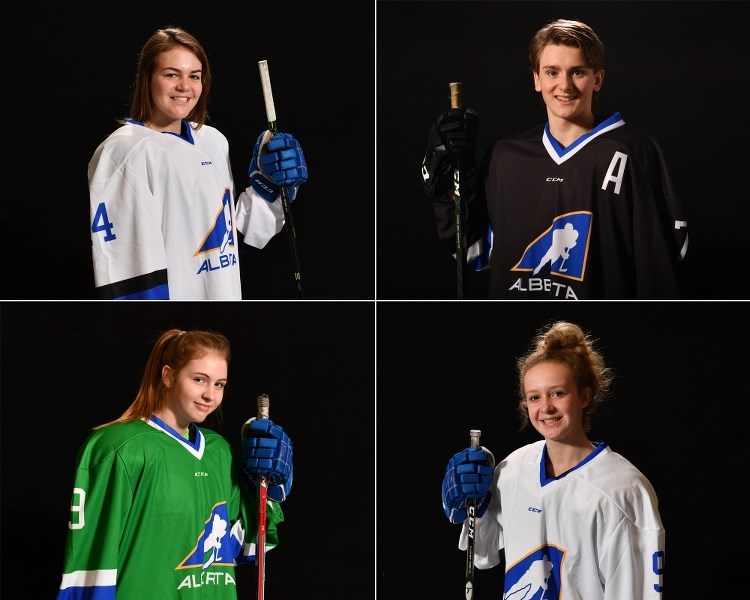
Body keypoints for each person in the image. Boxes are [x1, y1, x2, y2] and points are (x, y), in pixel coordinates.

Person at [421, 19, 689, 299]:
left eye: (577, 72)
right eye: (552, 72)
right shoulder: (505, 156)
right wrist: (446, 183)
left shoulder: (633, 152)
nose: (565, 85)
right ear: (536, 79)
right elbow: (474, 253)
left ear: (597, 79)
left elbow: (661, 272)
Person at [56, 329, 293, 599]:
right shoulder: (117, 447)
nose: (210, 395)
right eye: (199, 380)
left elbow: (241, 548)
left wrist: (268, 495)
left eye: (219, 384)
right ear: (168, 376)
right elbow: (90, 567)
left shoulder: (219, 452)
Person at [440, 321, 665, 598]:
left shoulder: (624, 489)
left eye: (558, 393)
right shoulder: (512, 469)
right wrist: (474, 507)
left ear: (584, 397)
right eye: (534, 397)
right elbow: (483, 556)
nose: (545, 407)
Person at [89, 26, 308, 299]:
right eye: (171, 75)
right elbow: (130, 275)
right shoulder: (123, 151)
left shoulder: (212, 140)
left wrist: (270, 190)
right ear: (147, 78)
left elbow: (227, 241)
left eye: (194, 76)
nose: (185, 86)